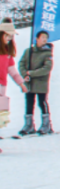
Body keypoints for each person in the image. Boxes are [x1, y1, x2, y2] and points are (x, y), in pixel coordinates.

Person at [18, 30, 54, 135]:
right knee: (29, 102)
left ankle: (46, 124)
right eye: (42, 37)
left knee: (42, 102)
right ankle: (29, 124)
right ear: (37, 39)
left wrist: (31, 73)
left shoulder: (47, 53)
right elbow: (21, 63)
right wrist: (25, 74)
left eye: (46, 38)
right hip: (30, 82)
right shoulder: (28, 51)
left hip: (41, 82)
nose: (44, 40)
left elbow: (47, 68)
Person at [0, 18, 29, 150]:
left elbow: (12, 71)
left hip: (2, 87)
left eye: (11, 36)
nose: (9, 39)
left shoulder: (7, 54)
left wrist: (21, 84)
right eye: (7, 36)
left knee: (1, 116)